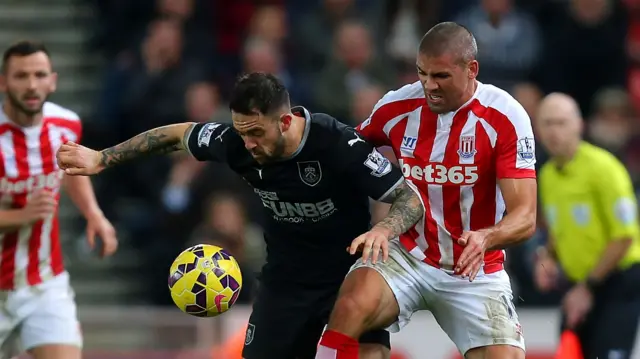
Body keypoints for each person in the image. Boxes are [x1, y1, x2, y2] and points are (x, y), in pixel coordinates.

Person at [56, 72, 424, 359]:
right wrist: (103, 158)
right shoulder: (238, 143)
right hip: (284, 286)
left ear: (284, 122)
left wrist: (384, 229)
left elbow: (409, 198)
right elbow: (175, 135)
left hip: (348, 283)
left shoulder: (336, 143)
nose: (247, 144)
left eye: (255, 133)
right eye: (240, 132)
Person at [315, 22, 537, 359]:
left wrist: (486, 237)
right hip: (406, 254)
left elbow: (526, 217)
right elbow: (348, 156)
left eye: (440, 77)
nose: (428, 86)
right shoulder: (396, 107)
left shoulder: (505, 117)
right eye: (422, 73)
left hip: (474, 270)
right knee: (349, 306)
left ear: (471, 69)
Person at [0, 41, 118, 359]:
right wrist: (20, 216)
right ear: (3, 82)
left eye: (39, 75)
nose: (32, 85)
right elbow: (29, 212)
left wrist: (94, 214)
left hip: (43, 283)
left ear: (53, 80)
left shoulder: (66, 124)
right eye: (21, 76)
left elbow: (68, 171)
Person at [534, 93, 640, 359]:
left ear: (579, 125)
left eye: (561, 122)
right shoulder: (547, 176)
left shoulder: (604, 168)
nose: (554, 131)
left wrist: (587, 288)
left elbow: (624, 236)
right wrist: (548, 257)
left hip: (616, 284)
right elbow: (558, 232)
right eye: (547, 123)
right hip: (577, 286)